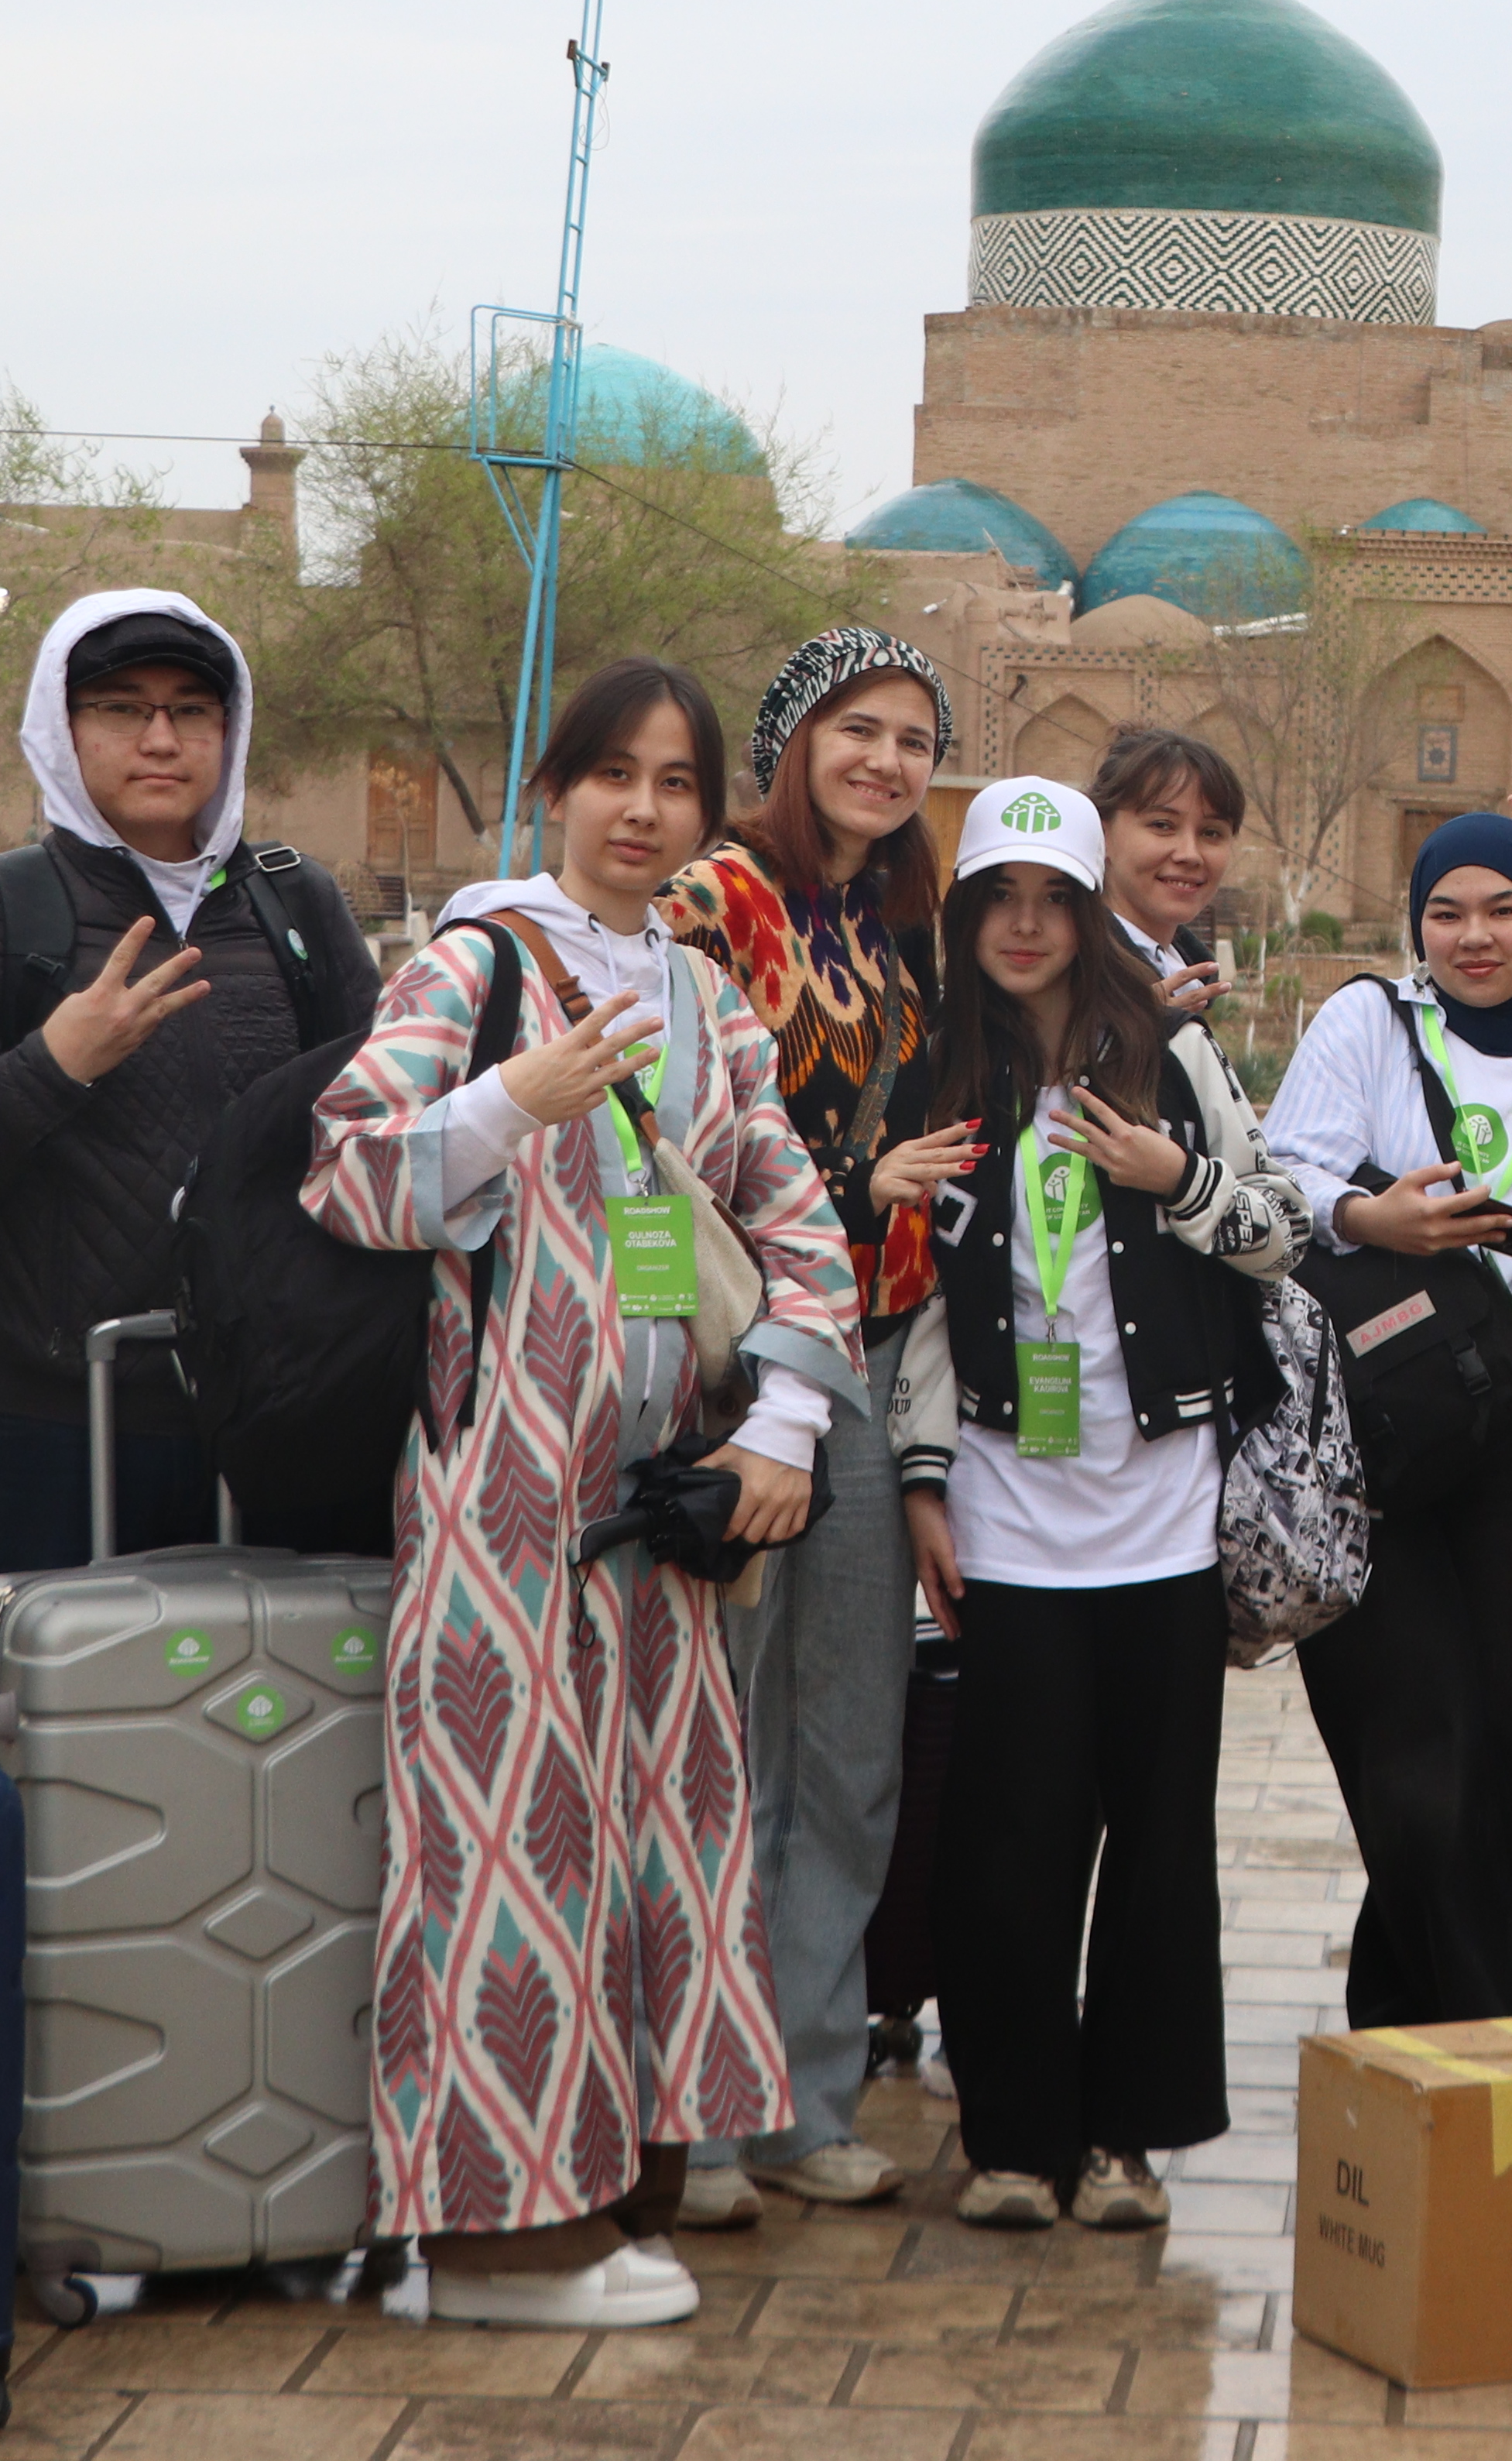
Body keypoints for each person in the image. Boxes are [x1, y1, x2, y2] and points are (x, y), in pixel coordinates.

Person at [303, 657, 863, 2329]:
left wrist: (781, 1426)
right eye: (612, 772)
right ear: (555, 785)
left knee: (647, 1838)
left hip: (661, 1491)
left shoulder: (704, 997)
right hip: (501, 1488)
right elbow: (343, 1172)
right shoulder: (473, 960)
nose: (642, 808)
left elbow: (800, 1225)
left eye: (677, 782)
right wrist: (503, 1101)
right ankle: (489, 2239)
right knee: (504, 1845)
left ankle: (608, 2187)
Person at [891, 777, 1307, 2233]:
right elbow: (930, 1307)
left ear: (1085, 913)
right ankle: (1014, 2136)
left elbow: (1277, 1235)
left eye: (1049, 900)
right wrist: (924, 1481)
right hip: (1009, 1515)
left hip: (1164, 1514)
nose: (1022, 927)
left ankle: (1130, 2133)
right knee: (1011, 1834)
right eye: (995, 900)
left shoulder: (1173, 1055)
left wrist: (1174, 1176)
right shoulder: (942, 1068)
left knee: (1157, 1834)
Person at [654, 626, 961, 2214]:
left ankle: (800, 2091)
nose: (889, 760)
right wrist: (857, 1187)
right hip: (734, 1370)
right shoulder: (717, 899)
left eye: (915, 737)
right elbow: (662, 1136)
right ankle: (695, 2112)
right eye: (860, 726)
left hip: (864, 1361)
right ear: (796, 739)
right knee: (724, 1740)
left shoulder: (897, 924)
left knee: (848, 1743)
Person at [0, 589, 379, 1577]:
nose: (161, 737)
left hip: (280, 1419)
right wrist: (57, 1063)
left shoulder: (294, 906)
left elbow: (382, 1127)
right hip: (56, 1424)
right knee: (60, 1715)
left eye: (192, 710)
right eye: (123, 707)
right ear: (64, 725)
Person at [1264, 812, 1512, 2025]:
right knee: (1415, 1756)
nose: (1475, 937)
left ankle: (1402, 2045)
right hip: (1372, 1447)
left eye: (1503, 910)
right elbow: (1282, 1181)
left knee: (1498, 1766)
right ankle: (1506, 2027)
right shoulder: (1368, 1023)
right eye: (1447, 912)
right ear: (1417, 922)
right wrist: (1379, 1221)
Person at [1093, 722, 1241, 1018]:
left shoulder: (1184, 973)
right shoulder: (1070, 976)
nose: (1190, 855)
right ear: (1102, 833)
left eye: (1211, 833)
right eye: (1162, 825)